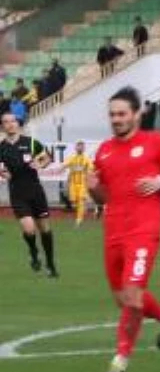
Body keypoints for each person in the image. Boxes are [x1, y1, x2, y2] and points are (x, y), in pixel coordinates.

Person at [88, 87, 160, 372]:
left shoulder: (155, 142)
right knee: (124, 300)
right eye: (112, 114)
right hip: (113, 232)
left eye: (121, 114)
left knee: (132, 296)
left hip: (144, 231)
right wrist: (92, 187)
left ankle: (120, 360)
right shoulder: (104, 150)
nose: (116, 119)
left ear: (136, 114)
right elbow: (105, 196)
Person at [0, 113, 59, 277]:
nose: (10, 124)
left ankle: (50, 263)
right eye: (6, 122)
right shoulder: (2, 147)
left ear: (18, 124)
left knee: (45, 230)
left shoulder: (31, 142)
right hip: (17, 193)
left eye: (12, 121)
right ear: (2, 126)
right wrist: (3, 173)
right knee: (29, 228)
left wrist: (40, 163)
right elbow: (1, 169)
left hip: (36, 191)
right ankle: (33, 252)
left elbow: (48, 157)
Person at [64, 140, 93, 227]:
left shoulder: (87, 159)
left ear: (84, 148)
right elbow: (64, 165)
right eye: (78, 146)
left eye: (82, 146)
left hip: (82, 184)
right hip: (73, 183)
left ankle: (79, 219)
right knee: (74, 201)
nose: (80, 147)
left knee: (81, 200)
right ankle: (82, 210)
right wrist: (59, 168)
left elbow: (91, 169)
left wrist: (89, 176)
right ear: (76, 148)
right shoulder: (72, 158)